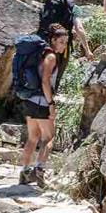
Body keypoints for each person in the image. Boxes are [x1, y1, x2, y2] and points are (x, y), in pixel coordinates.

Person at [17, 23, 70, 188]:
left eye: (66, 42)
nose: (64, 46)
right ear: (53, 40)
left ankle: (25, 173)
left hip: (29, 100)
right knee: (49, 137)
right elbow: (45, 81)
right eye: (61, 42)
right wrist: (51, 103)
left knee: (32, 138)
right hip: (41, 101)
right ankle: (39, 171)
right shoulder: (51, 57)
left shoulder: (38, 53)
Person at [39, 0, 94, 87]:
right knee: (57, 72)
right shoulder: (74, 8)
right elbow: (79, 29)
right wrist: (87, 50)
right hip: (61, 45)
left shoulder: (51, 1)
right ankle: (50, 96)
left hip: (44, 40)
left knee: (41, 69)